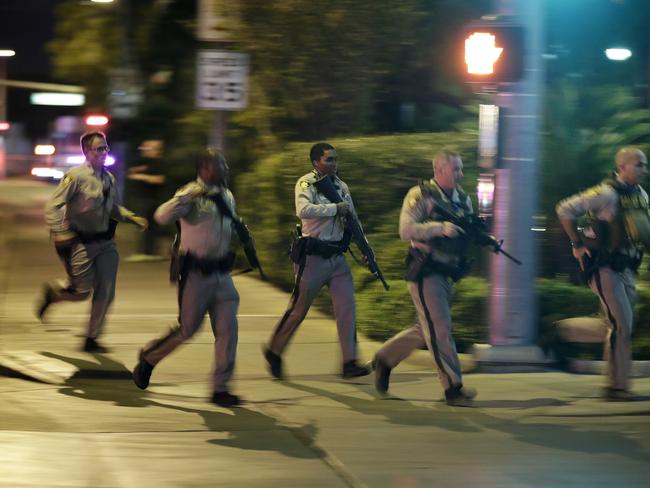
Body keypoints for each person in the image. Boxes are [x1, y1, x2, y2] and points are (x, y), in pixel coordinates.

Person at [132, 148, 242, 407]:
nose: (225, 168)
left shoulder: (227, 195)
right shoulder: (190, 194)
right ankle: (149, 358)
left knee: (228, 330)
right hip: (196, 275)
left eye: (225, 164)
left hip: (222, 275)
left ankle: (220, 388)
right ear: (205, 168)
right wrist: (184, 199)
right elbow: (161, 216)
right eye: (219, 164)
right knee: (188, 329)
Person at [371, 150, 477, 406]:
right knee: (440, 329)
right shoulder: (421, 195)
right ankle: (453, 388)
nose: (461, 174)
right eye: (455, 169)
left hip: (447, 271)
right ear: (439, 171)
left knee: (426, 327)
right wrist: (439, 228)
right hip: (425, 270)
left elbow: (469, 231)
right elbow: (405, 230)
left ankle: (385, 358)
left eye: (461, 168)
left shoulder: (463, 199)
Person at [262, 142, 370, 380]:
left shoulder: (342, 187)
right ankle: (274, 350)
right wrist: (334, 208)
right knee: (298, 310)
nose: (333, 164)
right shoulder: (306, 183)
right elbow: (304, 210)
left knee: (347, 308)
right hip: (312, 258)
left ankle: (349, 361)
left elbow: (353, 219)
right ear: (315, 163)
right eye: (328, 159)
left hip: (337, 257)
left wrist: (364, 248)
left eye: (335, 159)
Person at [37, 131, 148, 352]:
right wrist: (60, 230)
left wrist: (131, 217)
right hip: (82, 243)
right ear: (86, 151)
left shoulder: (109, 178)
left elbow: (113, 207)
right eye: (99, 149)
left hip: (106, 242)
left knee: (106, 291)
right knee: (81, 292)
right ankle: (54, 294)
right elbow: (53, 206)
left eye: (105, 148)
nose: (104, 153)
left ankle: (91, 338)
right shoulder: (75, 176)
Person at [556, 146, 649, 401]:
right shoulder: (606, 193)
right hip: (605, 268)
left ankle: (563, 330)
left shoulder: (640, 194)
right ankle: (617, 388)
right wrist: (576, 243)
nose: (644, 169)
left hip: (628, 269)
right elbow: (564, 209)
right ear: (623, 166)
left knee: (620, 324)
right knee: (622, 323)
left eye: (645, 164)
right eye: (639, 164)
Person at [125, 139, 167, 261]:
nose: (145, 151)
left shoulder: (159, 163)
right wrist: (135, 171)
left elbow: (159, 179)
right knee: (145, 225)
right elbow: (140, 169)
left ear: (156, 150)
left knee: (150, 226)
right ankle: (147, 251)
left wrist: (140, 176)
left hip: (153, 199)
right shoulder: (148, 162)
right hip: (145, 199)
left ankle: (150, 252)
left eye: (148, 148)